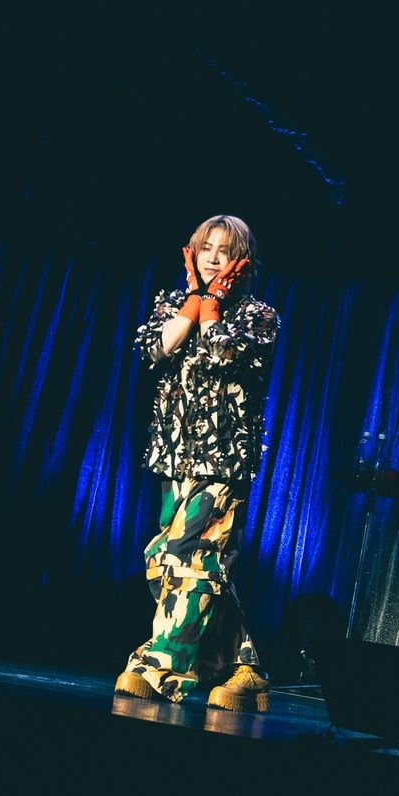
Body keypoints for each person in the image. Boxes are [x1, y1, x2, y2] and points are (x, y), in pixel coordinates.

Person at [114, 215, 279, 712]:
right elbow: (154, 349)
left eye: (223, 251)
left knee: (188, 557)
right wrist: (193, 300)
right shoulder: (173, 303)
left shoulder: (257, 317)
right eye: (204, 248)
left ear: (241, 261)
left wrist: (212, 306)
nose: (211, 258)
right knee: (169, 561)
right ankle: (245, 667)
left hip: (222, 462)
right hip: (173, 456)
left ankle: (160, 668)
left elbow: (222, 355)